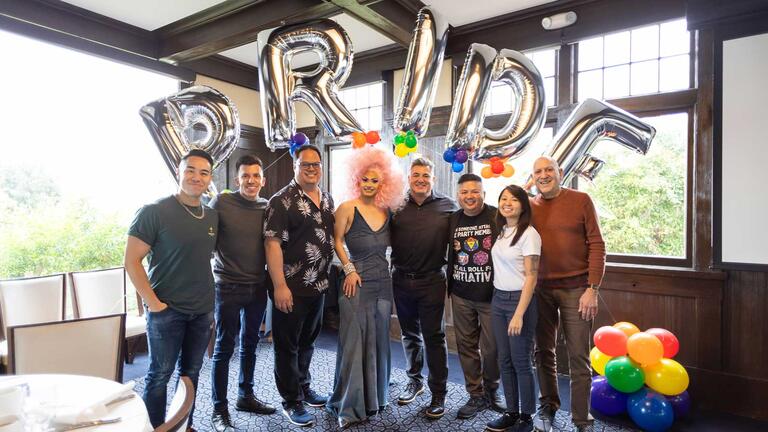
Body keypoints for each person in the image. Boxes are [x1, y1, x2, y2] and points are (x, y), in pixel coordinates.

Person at [124, 149, 218, 429]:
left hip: (202, 311)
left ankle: (182, 424)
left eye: (203, 172)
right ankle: (154, 428)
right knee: (159, 375)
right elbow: (131, 261)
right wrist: (154, 305)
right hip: (167, 311)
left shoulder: (212, 216)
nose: (196, 177)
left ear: (209, 178)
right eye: (190, 169)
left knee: (191, 373)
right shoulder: (154, 211)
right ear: (179, 172)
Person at [328, 146, 406, 428]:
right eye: (365, 179)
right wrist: (348, 270)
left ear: (384, 183)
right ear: (355, 179)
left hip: (383, 283)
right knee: (353, 342)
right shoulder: (347, 207)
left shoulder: (387, 211)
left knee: (378, 339)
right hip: (354, 283)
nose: (370, 185)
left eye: (375, 180)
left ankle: (374, 398)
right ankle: (348, 405)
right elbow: (336, 241)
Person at [530, 156, 606, 432]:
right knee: (543, 352)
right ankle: (548, 407)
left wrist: (592, 289)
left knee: (578, 357)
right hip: (540, 290)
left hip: (578, 290)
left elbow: (597, 244)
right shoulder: (529, 206)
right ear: (533, 177)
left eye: (549, 169)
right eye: (538, 171)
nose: (544, 175)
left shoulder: (581, 199)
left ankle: (581, 419)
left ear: (560, 172)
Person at [264, 144, 335, 427]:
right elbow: (272, 244)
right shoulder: (281, 201)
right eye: (306, 164)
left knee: (307, 343)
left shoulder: (327, 198)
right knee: (286, 346)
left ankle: (303, 387)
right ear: (295, 166)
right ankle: (290, 401)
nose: (311, 169)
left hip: (318, 286)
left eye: (316, 164)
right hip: (290, 287)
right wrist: (279, 285)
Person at [209, 155, 276, 432]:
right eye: (245, 176)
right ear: (237, 179)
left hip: (257, 287)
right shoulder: (221, 203)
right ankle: (219, 409)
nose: (251, 180)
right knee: (225, 347)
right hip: (227, 287)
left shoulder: (267, 207)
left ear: (263, 179)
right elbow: (207, 239)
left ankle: (245, 397)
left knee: (251, 344)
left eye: (256, 175)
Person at [390, 157, 458, 419]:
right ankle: (414, 381)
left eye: (425, 175)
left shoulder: (448, 207)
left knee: (434, 338)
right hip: (401, 279)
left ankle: (438, 393)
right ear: (409, 177)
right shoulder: (395, 205)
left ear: (433, 179)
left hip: (432, 281)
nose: (420, 179)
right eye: (416, 174)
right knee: (409, 335)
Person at [446, 173, 505, 419]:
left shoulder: (496, 216)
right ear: (458, 195)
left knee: (493, 349)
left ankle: (492, 389)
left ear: (483, 194)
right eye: (464, 192)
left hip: (492, 296)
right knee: (466, 347)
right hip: (461, 294)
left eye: (475, 191)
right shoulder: (452, 219)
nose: (470, 196)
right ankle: (475, 394)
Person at [486, 185, 541, 432]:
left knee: (521, 361)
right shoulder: (502, 232)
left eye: (514, 199)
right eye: (503, 198)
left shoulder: (529, 234)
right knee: (504, 360)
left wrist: (519, 313)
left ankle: (527, 417)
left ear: (523, 205)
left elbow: (531, 276)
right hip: (498, 300)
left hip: (520, 302)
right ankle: (511, 411)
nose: (507, 202)